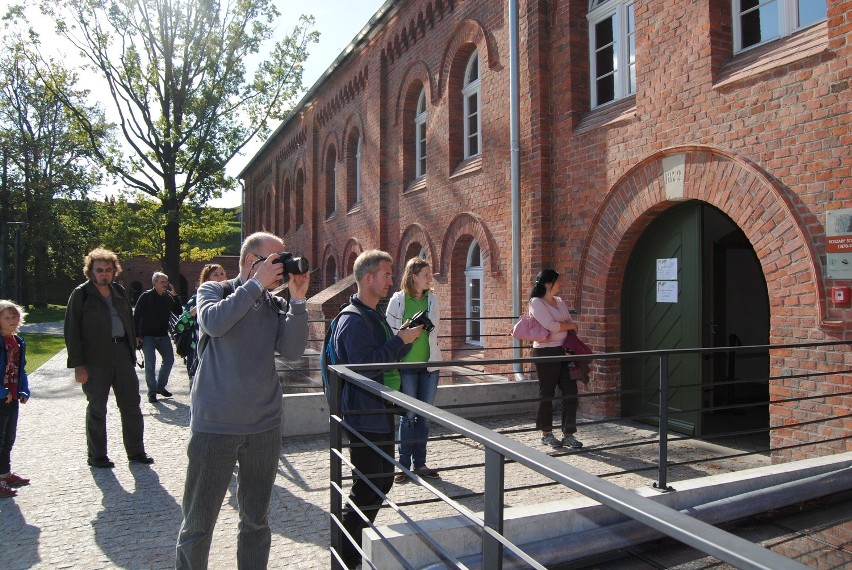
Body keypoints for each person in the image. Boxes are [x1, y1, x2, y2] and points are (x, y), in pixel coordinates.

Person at [175, 232, 309, 570]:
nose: (282, 267)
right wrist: (254, 285)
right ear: (253, 261)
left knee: (256, 522)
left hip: (264, 427)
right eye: (277, 260)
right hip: (215, 426)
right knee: (198, 524)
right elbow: (214, 323)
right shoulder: (214, 290)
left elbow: (292, 352)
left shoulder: (274, 304)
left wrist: (298, 301)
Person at [331, 249, 422, 569]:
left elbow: (378, 359)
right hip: (364, 416)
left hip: (376, 413)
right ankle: (345, 552)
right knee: (369, 486)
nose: (390, 280)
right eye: (385, 274)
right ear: (367, 278)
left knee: (378, 482)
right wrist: (401, 341)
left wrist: (401, 338)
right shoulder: (353, 320)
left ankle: (350, 550)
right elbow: (363, 367)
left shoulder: (371, 315)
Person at [64, 248, 153, 468]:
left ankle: (136, 451)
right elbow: (71, 331)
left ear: (114, 271)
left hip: (122, 354)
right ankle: (97, 456)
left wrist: (133, 343)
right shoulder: (81, 294)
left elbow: (128, 320)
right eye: (99, 270)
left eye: (108, 270)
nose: (104, 274)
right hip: (95, 359)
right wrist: (78, 365)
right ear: (91, 271)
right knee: (97, 408)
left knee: (131, 405)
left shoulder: (119, 291)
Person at [385, 257, 443, 483]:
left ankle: (420, 464)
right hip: (406, 366)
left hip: (429, 366)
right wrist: (406, 329)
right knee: (408, 416)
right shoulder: (398, 300)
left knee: (424, 417)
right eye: (426, 274)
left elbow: (435, 331)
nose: (430, 278)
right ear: (413, 277)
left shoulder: (433, 300)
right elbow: (389, 332)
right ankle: (403, 466)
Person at [528, 268, 583, 449]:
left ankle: (568, 434)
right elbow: (550, 325)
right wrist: (569, 325)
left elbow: (565, 322)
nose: (561, 284)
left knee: (570, 391)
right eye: (558, 281)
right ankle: (546, 433)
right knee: (548, 392)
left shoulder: (559, 302)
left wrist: (567, 325)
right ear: (548, 283)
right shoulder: (536, 302)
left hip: (565, 350)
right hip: (545, 353)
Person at [134, 272, 183, 403]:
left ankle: (160, 387)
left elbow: (178, 312)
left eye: (166, 282)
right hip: (148, 336)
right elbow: (136, 316)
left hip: (163, 335)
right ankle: (152, 393)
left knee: (169, 360)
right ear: (154, 282)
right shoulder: (146, 296)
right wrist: (137, 335)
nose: (165, 285)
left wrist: (175, 296)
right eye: (162, 282)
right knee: (150, 365)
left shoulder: (168, 298)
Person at [0, 300, 31, 498]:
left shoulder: (18, 341)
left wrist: (23, 390)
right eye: (6, 317)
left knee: (8, 439)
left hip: (12, 397)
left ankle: (5, 474)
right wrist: (2, 392)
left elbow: (22, 369)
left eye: (14, 317)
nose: (12, 320)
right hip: (2, 397)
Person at [180, 264, 227, 376]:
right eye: (215, 274)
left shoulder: (229, 299)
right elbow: (180, 325)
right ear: (207, 280)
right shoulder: (197, 299)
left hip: (222, 354)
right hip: (199, 352)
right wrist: (196, 309)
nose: (220, 277)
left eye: (222, 274)